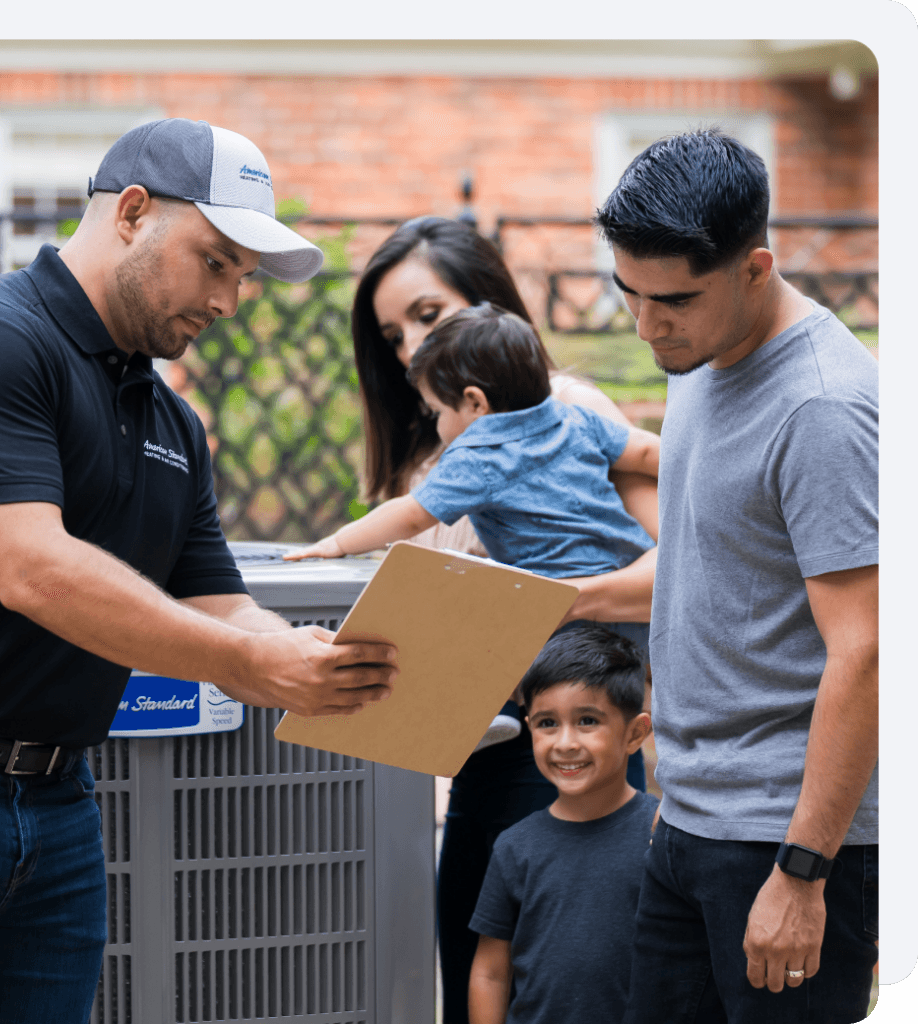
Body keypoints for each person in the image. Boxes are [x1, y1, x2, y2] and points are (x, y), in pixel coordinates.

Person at [0, 117, 398, 1024]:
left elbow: (218, 600)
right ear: (131, 212)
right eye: (216, 262)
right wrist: (249, 667)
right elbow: (32, 570)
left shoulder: (174, 427)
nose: (231, 301)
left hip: (58, 806)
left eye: (244, 279)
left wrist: (307, 661)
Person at [593, 129, 878, 1024]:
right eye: (627, 294)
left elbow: (866, 650)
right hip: (690, 821)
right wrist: (541, 600)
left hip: (784, 842)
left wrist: (802, 873)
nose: (646, 326)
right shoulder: (701, 355)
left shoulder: (823, 407)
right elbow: (708, 569)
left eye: (672, 300)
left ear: (756, 268)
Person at [345, 216, 659, 1024]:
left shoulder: (568, 413)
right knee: (474, 964)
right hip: (476, 744)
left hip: (568, 734)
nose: (411, 347)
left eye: (429, 315)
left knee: (564, 978)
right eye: (393, 333)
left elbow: (676, 565)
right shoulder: (435, 456)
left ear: (491, 312)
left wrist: (547, 601)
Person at [285, 303, 659, 668]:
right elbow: (644, 451)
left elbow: (412, 515)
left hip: (560, 619)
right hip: (634, 598)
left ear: (475, 403)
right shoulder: (576, 419)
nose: (436, 424)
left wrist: (338, 542)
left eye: (436, 411)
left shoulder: (480, 458)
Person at [468, 625, 658, 1024]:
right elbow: (490, 971)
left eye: (587, 721)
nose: (565, 743)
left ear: (635, 733)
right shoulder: (514, 847)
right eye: (547, 723)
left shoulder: (664, 836)